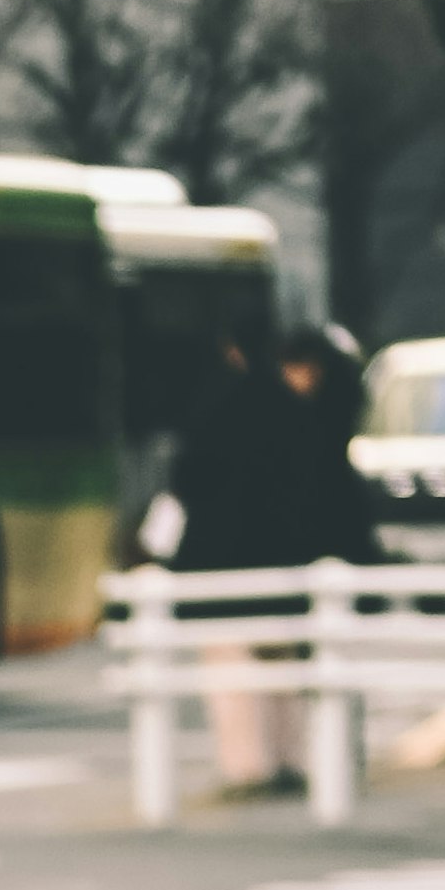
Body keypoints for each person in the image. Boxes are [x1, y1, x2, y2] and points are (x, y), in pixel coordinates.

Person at [156, 323, 384, 798]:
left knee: (233, 667)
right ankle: (292, 760)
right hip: (295, 569)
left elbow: (189, 478)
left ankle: (250, 768)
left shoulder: (226, 407)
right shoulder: (320, 416)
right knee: (286, 665)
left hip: (221, 568)